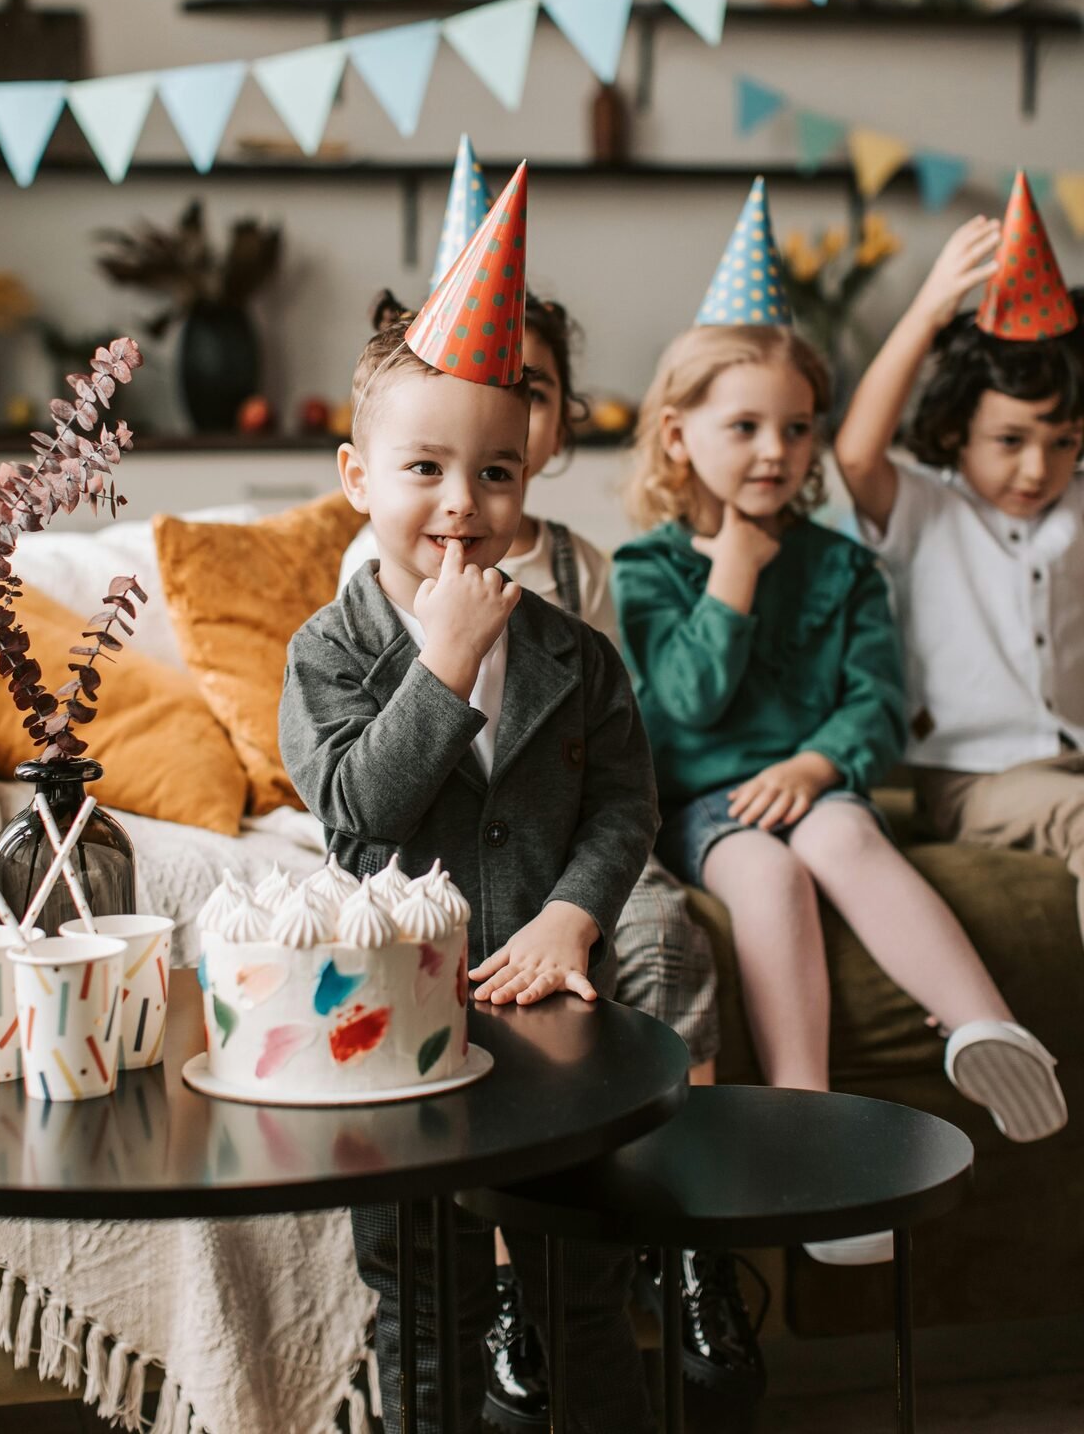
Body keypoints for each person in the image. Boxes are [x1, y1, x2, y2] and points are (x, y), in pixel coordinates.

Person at [613, 180, 1067, 1269]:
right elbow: (681, 709)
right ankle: (809, 1141)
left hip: (821, 785)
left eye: (796, 426)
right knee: (769, 877)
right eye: (744, 428)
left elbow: (877, 702)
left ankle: (985, 1028)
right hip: (707, 806)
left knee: (847, 836)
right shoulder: (648, 569)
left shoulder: (844, 564)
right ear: (677, 436)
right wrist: (731, 576)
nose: (776, 451)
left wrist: (821, 763)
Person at [279, 165, 660, 1434]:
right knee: (425, 1294)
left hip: (552, 1015)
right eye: (426, 468)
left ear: (530, 477)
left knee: (582, 1280)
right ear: (356, 475)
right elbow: (356, 816)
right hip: (392, 1023)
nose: (463, 502)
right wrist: (439, 666)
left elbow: (625, 804)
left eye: (496, 471)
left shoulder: (575, 656)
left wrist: (573, 916)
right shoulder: (329, 652)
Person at [835, 172, 1084, 946]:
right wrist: (929, 310)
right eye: (1010, 441)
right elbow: (855, 452)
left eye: (1064, 443)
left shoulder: (1075, 507)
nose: (1038, 469)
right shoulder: (923, 509)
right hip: (974, 782)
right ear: (955, 431)